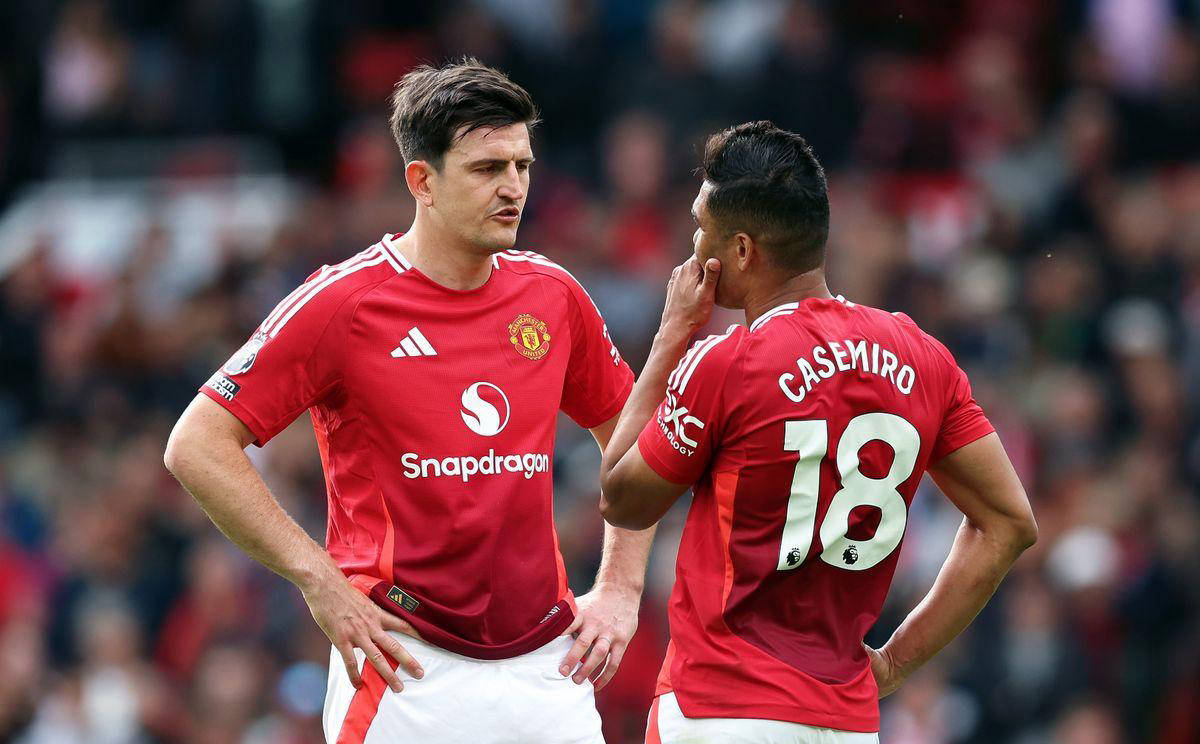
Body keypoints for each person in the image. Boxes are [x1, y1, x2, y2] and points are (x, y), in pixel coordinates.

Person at [164, 58, 653, 744]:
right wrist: (319, 580)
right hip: (406, 669)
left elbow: (633, 442)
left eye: (522, 166)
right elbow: (196, 444)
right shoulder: (344, 303)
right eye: (488, 169)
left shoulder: (552, 295)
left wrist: (623, 586)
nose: (513, 187)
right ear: (422, 180)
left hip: (549, 666)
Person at [598, 121, 1038, 743]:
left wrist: (670, 336)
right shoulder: (922, 357)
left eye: (701, 227)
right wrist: (895, 662)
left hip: (721, 710)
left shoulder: (728, 362)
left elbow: (621, 498)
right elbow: (1010, 523)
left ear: (742, 251)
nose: (693, 244)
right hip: (845, 723)